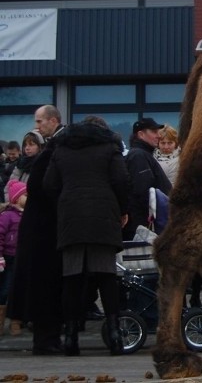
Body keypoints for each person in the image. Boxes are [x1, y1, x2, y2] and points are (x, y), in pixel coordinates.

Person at [43, 116, 130, 355]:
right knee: (106, 277)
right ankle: (114, 336)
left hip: (71, 219)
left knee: (72, 279)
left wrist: (63, 204)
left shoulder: (62, 149)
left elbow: (49, 184)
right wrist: (122, 209)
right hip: (103, 216)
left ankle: (70, 338)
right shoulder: (109, 147)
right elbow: (121, 179)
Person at [7, 105, 66, 354]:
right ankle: (46, 339)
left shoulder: (51, 152)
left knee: (38, 286)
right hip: (44, 232)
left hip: (39, 231)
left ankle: (45, 338)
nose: (36, 126)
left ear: (53, 121)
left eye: (40, 121)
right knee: (45, 286)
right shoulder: (51, 154)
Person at [124, 117, 172, 239]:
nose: (158, 136)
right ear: (141, 134)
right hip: (143, 227)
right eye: (154, 132)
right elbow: (143, 191)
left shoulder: (144, 155)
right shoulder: (138, 156)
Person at [0, 179, 27, 336]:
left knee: (19, 289)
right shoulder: (7, 216)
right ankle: (2, 320)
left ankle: (16, 321)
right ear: (16, 198)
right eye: (25, 195)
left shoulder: (28, 215)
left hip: (22, 257)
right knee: (5, 290)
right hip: (9, 258)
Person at [3, 131, 45, 199]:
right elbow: (8, 188)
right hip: (15, 204)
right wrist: (11, 202)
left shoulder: (44, 165)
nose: (27, 148)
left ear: (40, 147)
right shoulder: (20, 164)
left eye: (31, 144)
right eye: (25, 145)